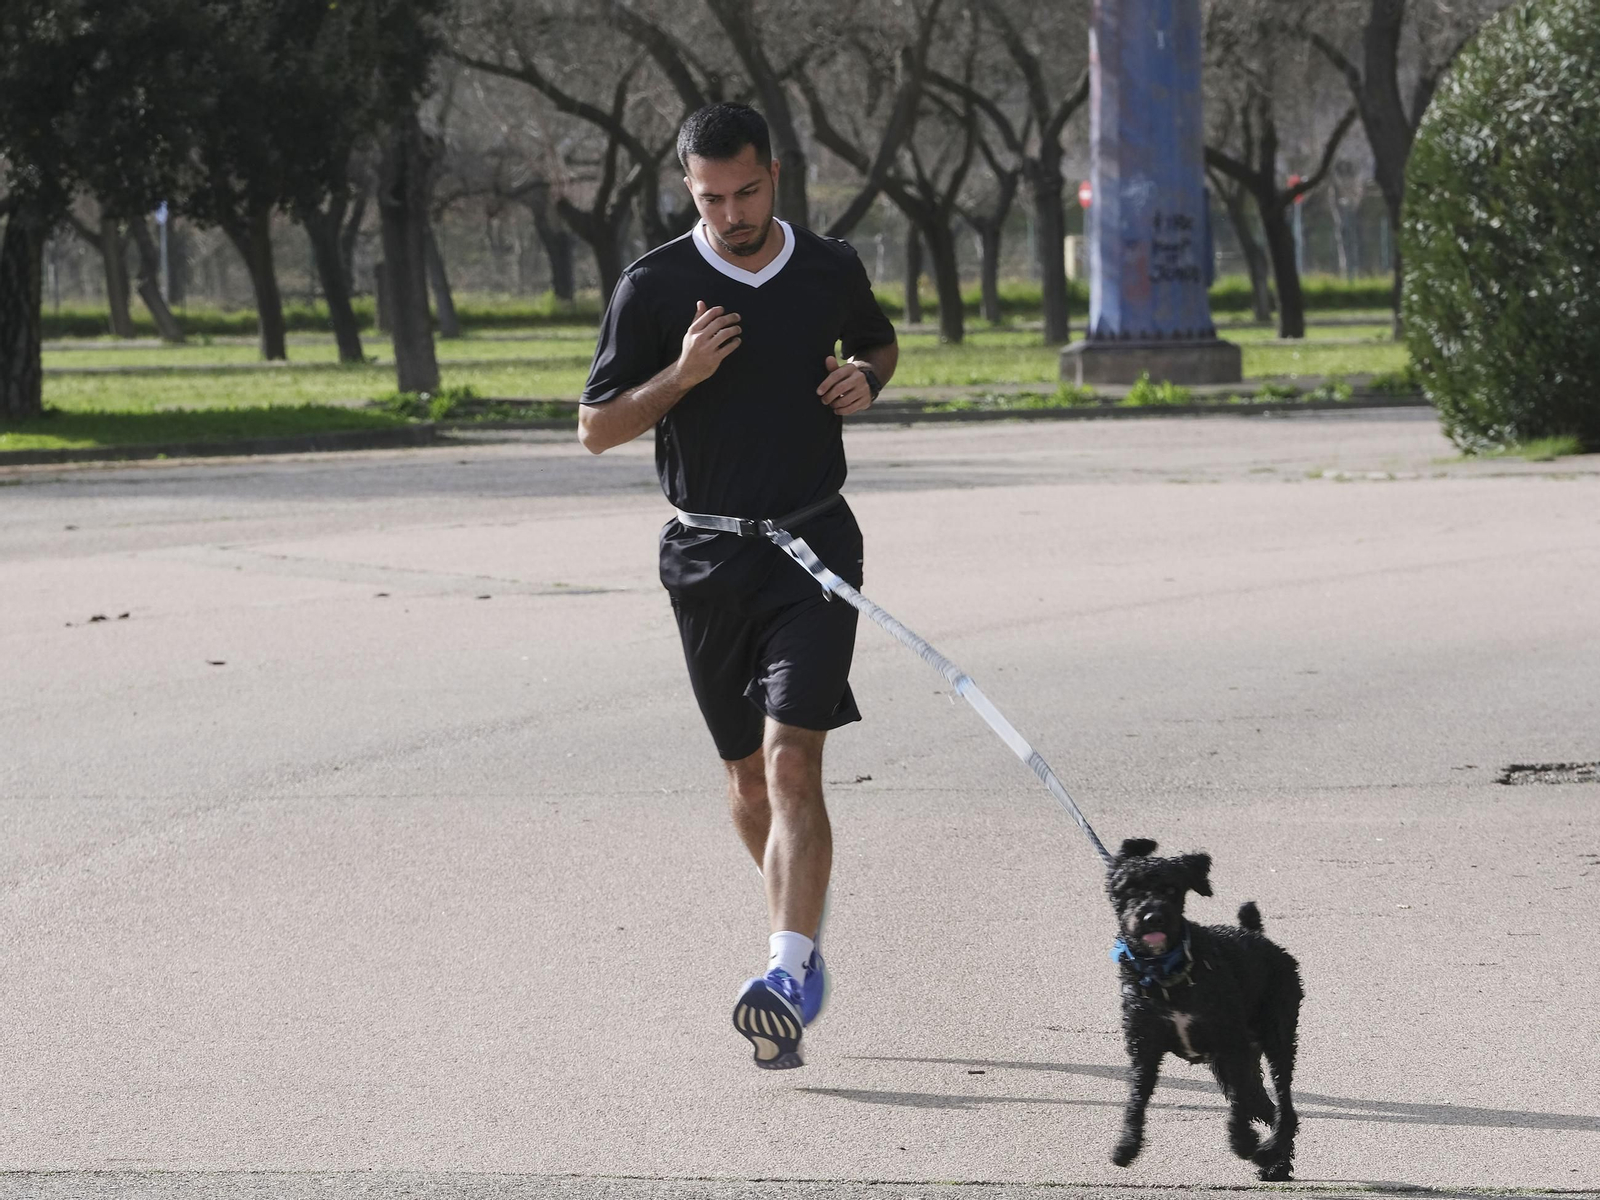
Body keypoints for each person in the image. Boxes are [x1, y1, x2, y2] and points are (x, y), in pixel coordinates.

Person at [578, 102, 898, 1070]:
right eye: (711, 197)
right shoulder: (656, 285)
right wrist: (679, 375)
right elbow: (593, 429)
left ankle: (785, 970)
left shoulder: (829, 267)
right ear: (688, 187)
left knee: (794, 761)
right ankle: (797, 946)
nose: (731, 213)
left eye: (747, 191)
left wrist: (866, 383)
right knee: (747, 781)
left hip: (812, 548)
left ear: (775, 176)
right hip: (707, 560)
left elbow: (876, 344)